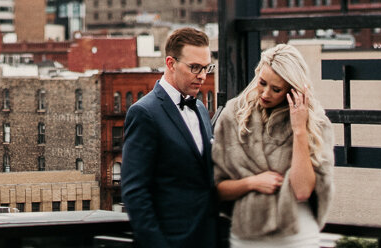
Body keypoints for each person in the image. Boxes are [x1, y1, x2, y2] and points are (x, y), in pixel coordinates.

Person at [213, 43, 335, 248]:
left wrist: (299, 130)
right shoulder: (233, 115)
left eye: (276, 89)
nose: (265, 94)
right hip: (247, 237)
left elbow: (303, 191)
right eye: (262, 83)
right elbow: (217, 190)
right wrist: (252, 183)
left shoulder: (316, 124)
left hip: (296, 237)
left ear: (292, 90)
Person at [121, 26, 219, 248]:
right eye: (195, 67)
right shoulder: (144, 113)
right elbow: (135, 193)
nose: (203, 76)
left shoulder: (200, 108)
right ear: (171, 63)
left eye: (206, 67)